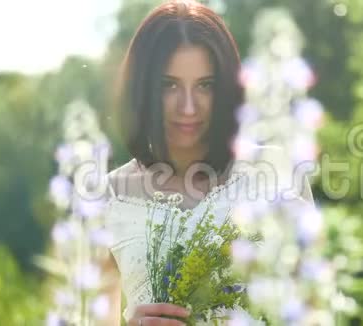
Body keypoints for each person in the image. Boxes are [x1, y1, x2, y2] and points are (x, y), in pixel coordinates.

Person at [100, 1, 314, 325]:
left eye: (205, 85)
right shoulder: (108, 197)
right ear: (142, 89)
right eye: (168, 85)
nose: (188, 107)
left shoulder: (276, 171)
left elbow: (314, 311)